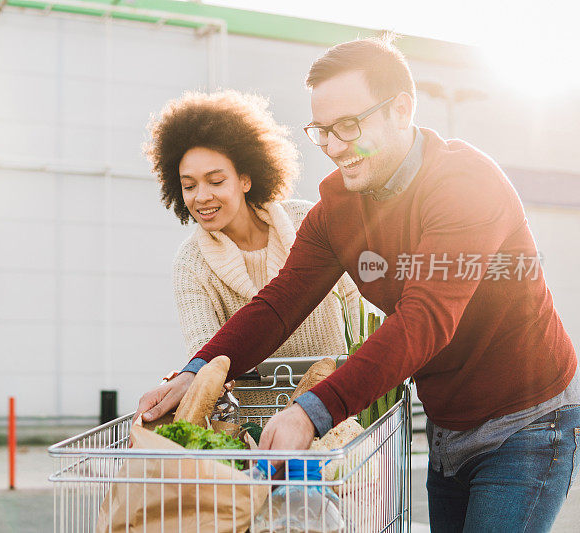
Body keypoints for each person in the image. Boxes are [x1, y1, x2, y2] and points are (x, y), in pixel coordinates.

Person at [135, 37, 579, 532]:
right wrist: (196, 372)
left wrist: (311, 413)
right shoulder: (338, 210)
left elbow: (424, 319)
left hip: (527, 423)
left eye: (349, 125)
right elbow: (281, 302)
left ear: (401, 109)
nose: (335, 146)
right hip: (448, 426)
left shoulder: (464, 186)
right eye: (322, 131)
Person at [143, 90, 360, 411]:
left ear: (245, 179)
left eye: (215, 181)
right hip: (253, 434)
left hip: (333, 415)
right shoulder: (191, 264)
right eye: (189, 186)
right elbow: (206, 349)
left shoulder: (306, 221)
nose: (201, 196)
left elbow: (352, 312)